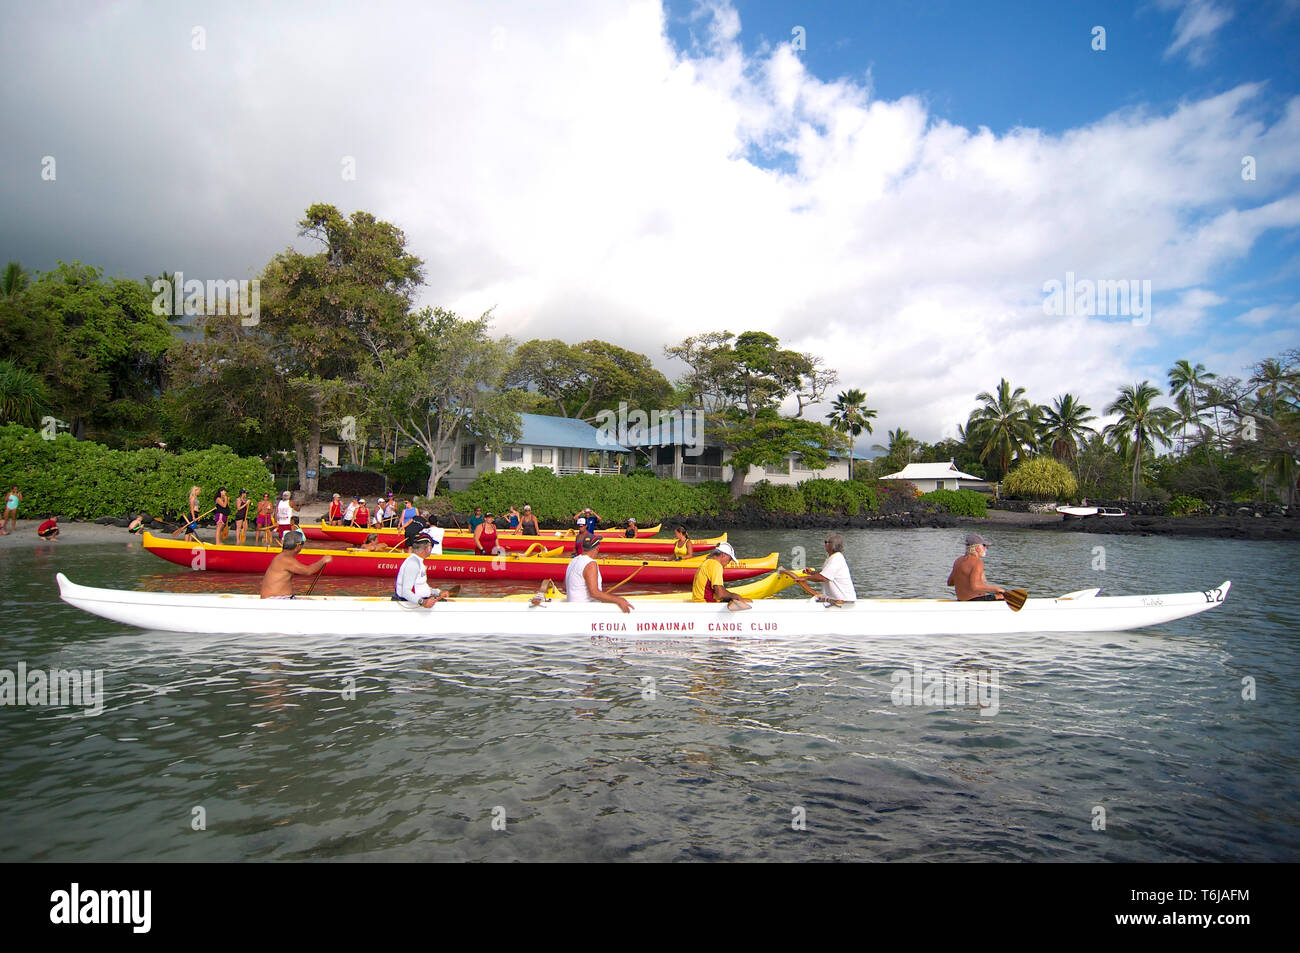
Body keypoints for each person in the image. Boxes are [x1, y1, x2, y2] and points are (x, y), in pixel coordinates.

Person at [563, 535, 632, 613]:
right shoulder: (590, 563)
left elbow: (565, 587)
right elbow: (594, 593)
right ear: (597, 548)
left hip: (573, 608)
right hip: (585, 611)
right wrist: (618, 600)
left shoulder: (573, 561)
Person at [780, 532, 856, 602]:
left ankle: (782, 570)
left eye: (826, 542)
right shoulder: (831, 557)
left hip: (844, 601)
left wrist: (805, 578)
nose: (825, 544)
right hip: (834, 600)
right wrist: (812, 573)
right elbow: (826, 573)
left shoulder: (836, 559)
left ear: (832, 545)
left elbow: (823, 578)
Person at [260, 529, 332, 599]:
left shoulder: (282, 556)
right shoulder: (286, 559)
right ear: (297, 547)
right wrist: (323, 560)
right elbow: (308, 571)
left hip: (278, 598)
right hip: (275, 600)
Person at [947, 533, 1008, 602]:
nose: (985, 549)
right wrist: (997, 589)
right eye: (984, 546)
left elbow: (950, 582)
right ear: (977, 548)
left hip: (961, 600)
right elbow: (975, 586)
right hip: (975, 601)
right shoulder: (977, 563)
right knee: (1004, 597)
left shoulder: (958, 561)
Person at [690, 542, 752, 610]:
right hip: (706, 606)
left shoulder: (706, 562)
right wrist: (734, 596)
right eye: (730, 559)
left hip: (698, 604)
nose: (728, 563)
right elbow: (720, 594)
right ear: (723, 555)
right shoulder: (716, 565)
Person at [393, 532, 448, 607]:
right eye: (432, 546)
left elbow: (420, 586)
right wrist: (423, 602)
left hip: (418, 601)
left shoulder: (417, 561)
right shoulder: (413, 564)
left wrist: (437, 592)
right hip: (410, 604)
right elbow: (405, 592)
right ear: (428, 548)